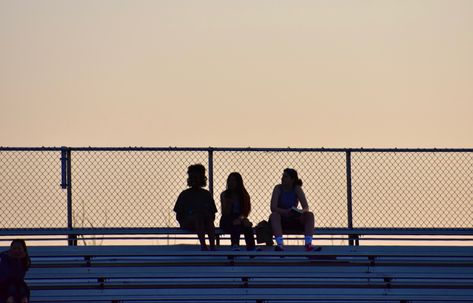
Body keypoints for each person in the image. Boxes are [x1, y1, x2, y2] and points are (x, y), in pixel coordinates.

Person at [269, 168, 320, 252]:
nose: (282, 178)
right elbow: (273, 208)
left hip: (293, 218)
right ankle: (280, 244)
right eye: (282, 176)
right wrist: (285, 212)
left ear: (292, 179)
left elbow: (306, 207)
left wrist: (298, 212)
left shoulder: (297, 188)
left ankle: (308, 244)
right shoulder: (278, 188)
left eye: (285, 177)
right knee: (274, 215)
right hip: (281, 220)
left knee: (310, 215)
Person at [174, 164, 217, 251]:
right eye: (192, 177)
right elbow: (179, 215)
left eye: (196, 177)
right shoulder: (185, 194)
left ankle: (212, 246)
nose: (194, 180)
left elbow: (212, 214)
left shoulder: (206, 194)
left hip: (204, 222)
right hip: (188, 221)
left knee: (204, 216)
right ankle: (203, 245)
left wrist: (204, 216)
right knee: (198, 216)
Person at [220, 172, 256, 251]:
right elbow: (224, 213)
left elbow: (245, 212)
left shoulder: (244, 195)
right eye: (229, 180)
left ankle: (251, 247)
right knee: (236, 222)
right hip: (227, 218)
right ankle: (235, 244)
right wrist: (229, 203)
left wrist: (241, 218)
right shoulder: (224, 194)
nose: (231, 182)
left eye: (233, 180)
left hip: (240, 217)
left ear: (238, 182)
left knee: (246, 224)